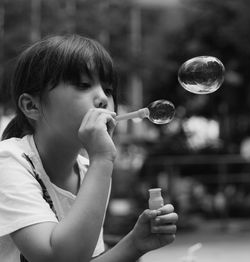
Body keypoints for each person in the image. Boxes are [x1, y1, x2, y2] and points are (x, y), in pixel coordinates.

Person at [0, 34, 178, 262]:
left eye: (108, 89)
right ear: (31, 106)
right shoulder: (8, 161)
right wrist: (103, 160)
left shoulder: (89, 170)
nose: (103, 98)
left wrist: (134, 244)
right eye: (84, 85)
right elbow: (57, 258)